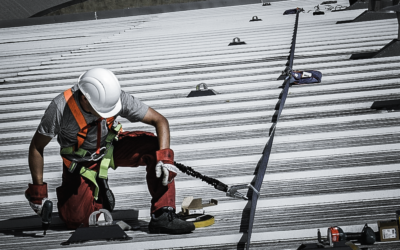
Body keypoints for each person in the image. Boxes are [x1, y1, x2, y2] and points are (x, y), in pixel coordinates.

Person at [25, 68, 195, 234]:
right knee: (75, 220)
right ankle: (98, 193)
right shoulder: (59, 109)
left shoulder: (114, 97)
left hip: (110, 148)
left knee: (155, 147)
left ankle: (163, 214)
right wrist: (37, 193)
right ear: (84, 98)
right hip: (79, 163)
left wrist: (165, 160)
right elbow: (37, 147)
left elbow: (160, 121)